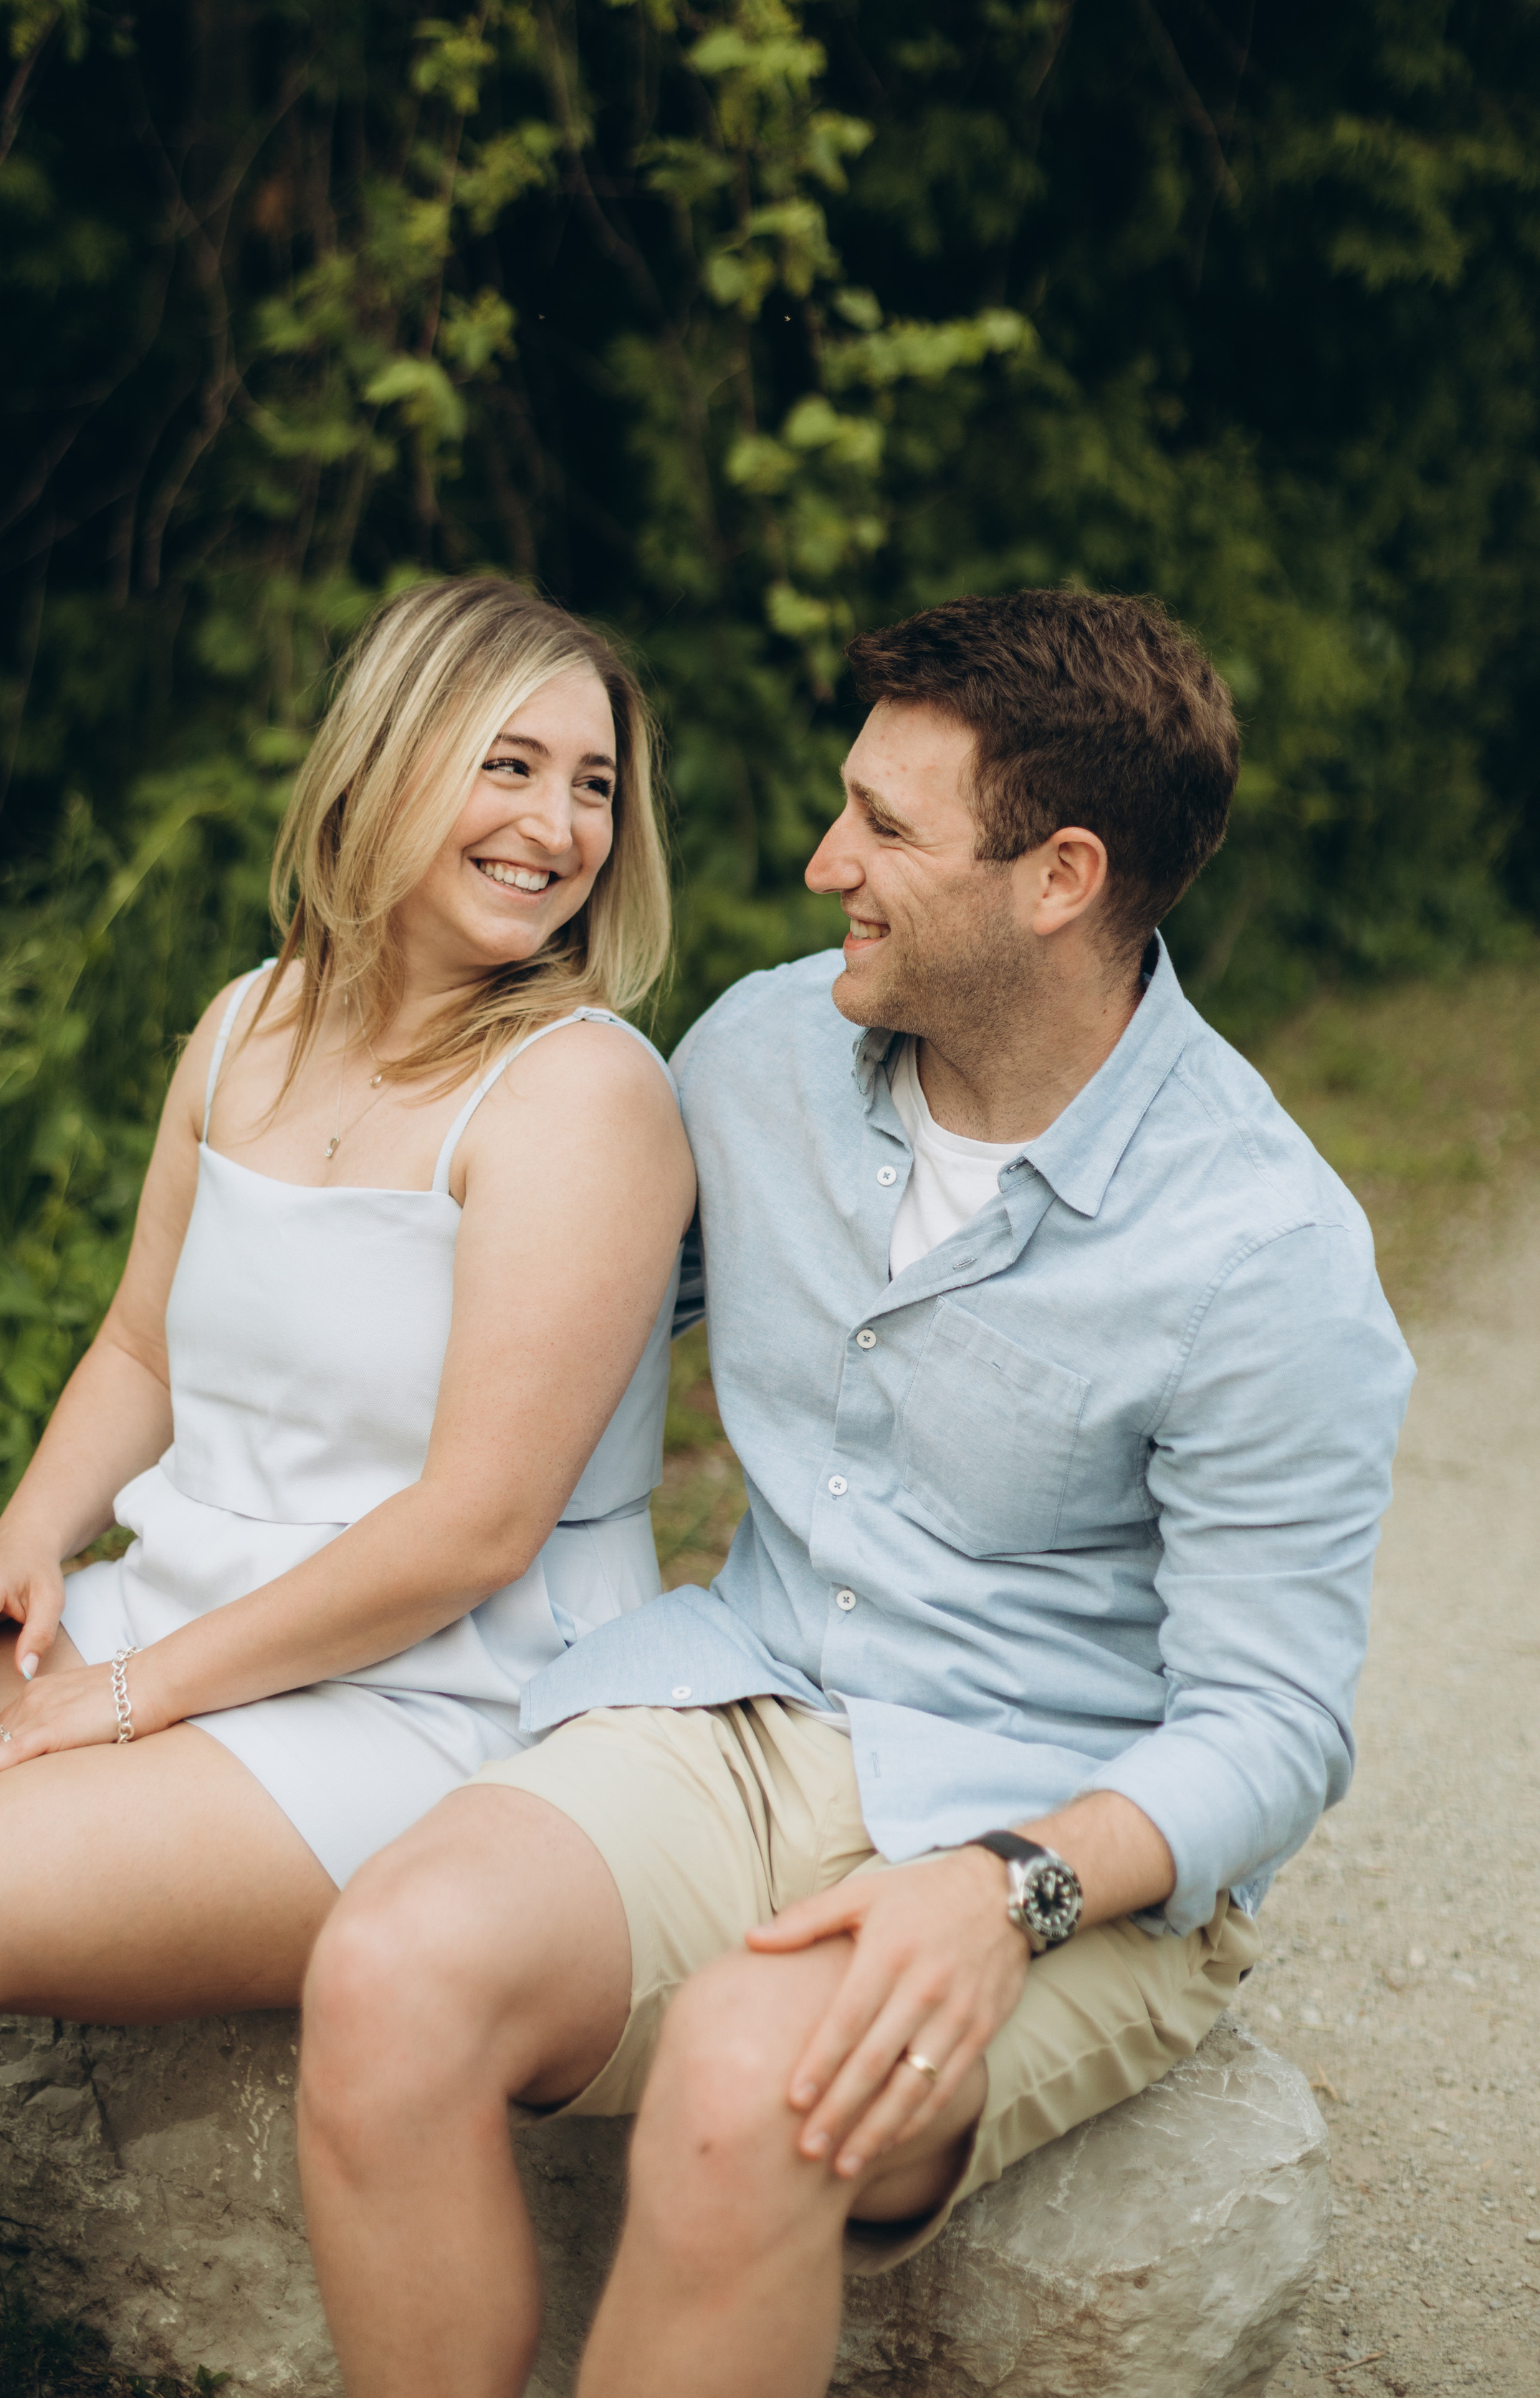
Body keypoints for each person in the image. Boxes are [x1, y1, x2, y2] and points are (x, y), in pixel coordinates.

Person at [298, 588, 1415, 2398]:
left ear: (1058, 878)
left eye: (884, 829)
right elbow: (518, 1329)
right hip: (748, 1705)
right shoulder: (752, 1059)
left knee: (754, 2081)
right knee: (390, 1970)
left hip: (1062, 1826)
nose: (825, 863)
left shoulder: (1262, 1249)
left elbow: (1273, 1726)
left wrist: (1008, 1893)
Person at [0, 577, 694, 2398]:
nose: (556, 828)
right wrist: (22, 1550)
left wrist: (132, 1700)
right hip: (180, 1613)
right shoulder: (249, 1021)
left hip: (429, 1694)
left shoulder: (579, 1095)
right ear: (386, 764)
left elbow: (471, 1528)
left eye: (592, 785)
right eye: (508, 764)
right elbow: (141, 1354)